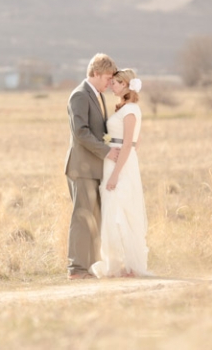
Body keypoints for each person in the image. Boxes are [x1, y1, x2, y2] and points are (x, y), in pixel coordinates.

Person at [65, 53, 120, 280]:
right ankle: (76, 269)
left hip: (94, 168)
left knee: (93, 218)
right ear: (95, 73)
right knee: (82, 217)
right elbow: (81, 132)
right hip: (82, 168)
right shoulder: (79, 95)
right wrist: (107, 151)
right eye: (108, 77)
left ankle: (88, 267)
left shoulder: (97, 95)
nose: (110, 82)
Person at [90, 68, 149, 278]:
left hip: (120, 166)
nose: (111, 85)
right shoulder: (123, 109)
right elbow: (136, 141)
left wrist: (116, 174)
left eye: (115, 82)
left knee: (122, 209)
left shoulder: (131, 110)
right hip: (115, 162)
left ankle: (130, 265)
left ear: (125, 85)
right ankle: (117, 262)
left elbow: (129, 144)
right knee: (113, 210)